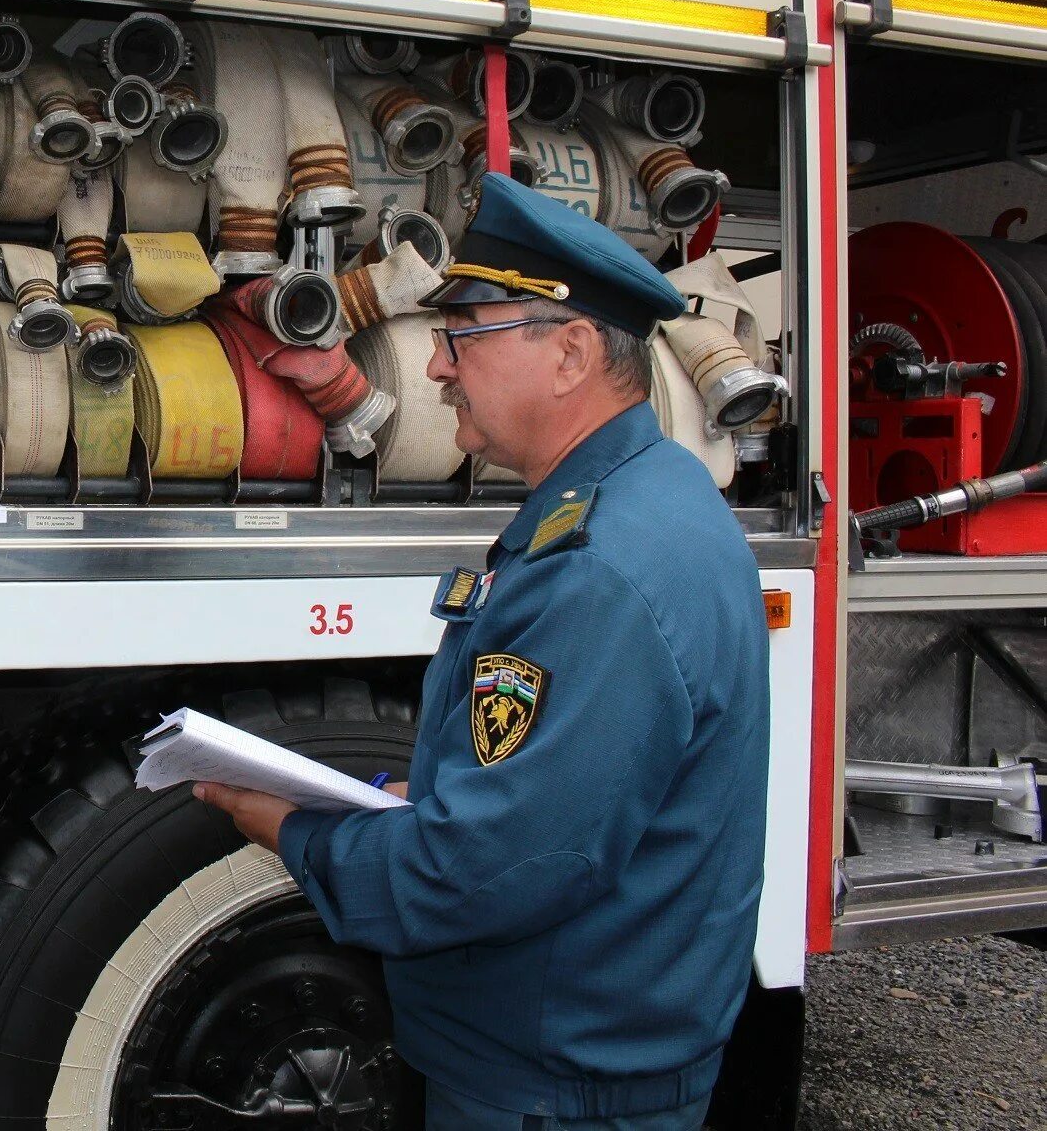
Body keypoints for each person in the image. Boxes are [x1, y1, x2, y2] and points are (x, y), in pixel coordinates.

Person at [198, 172, 770, 1131]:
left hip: (556, 1091)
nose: (434, 369)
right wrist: (417, 807)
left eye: (462, 338)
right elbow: (558, 803)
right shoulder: (651, 495)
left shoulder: (602, 568)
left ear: (572, 353)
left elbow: (482, 872)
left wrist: (287, 826)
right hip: (579, 1058)